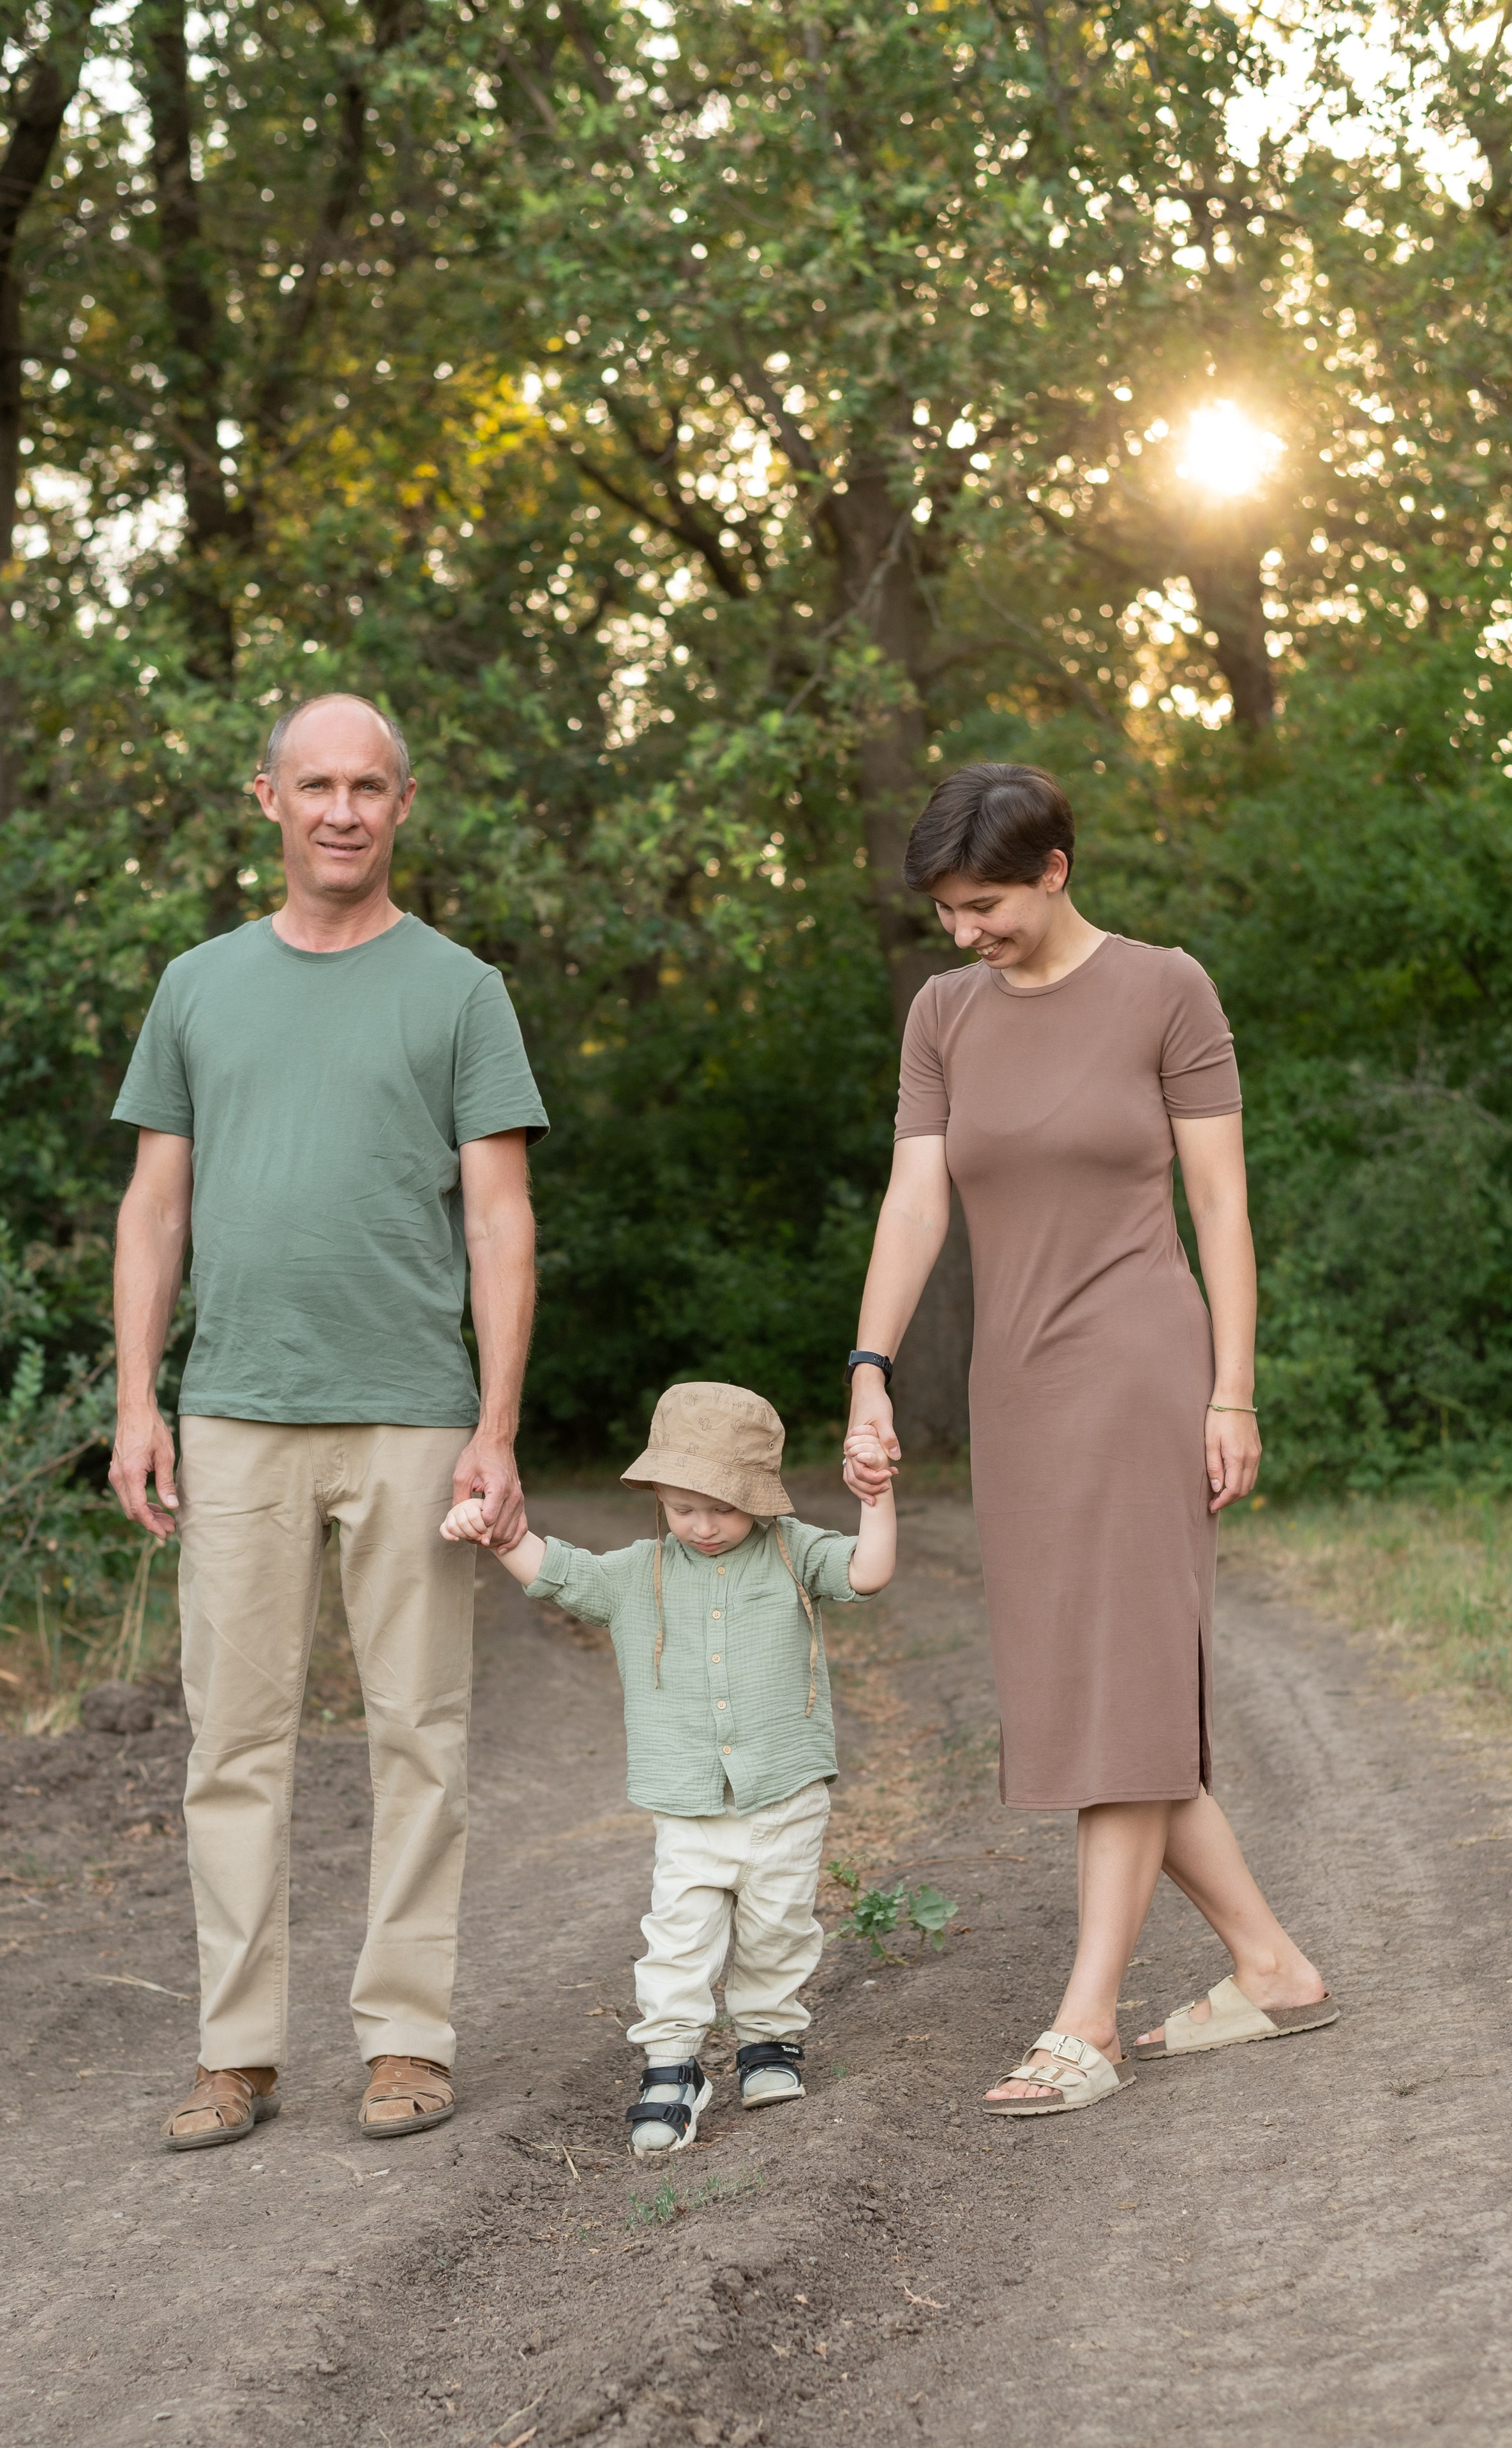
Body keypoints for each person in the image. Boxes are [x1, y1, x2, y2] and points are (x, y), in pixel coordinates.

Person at [842, 762, 1335, 2119]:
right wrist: (868, 1368)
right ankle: (1269, 1965)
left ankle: (1086, 2020)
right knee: (1078, 1690)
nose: (962, 934)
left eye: (982, 903)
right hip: (1017, 1387)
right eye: (945, 911)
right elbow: (911, 1206)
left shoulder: (1163, 988)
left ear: (1053, 868)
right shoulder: (943, 1016)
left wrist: (1229, 1392)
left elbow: (1220, 1207)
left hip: (1136, 1368)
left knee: (1115, 1689)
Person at [107, 691, 549, 2151]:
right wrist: (136, 1397)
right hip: (232, 1411)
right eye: (317, 784)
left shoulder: (459, 988)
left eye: (369, 785)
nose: (342, 809)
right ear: (268, 799)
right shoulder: (198, 985)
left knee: (417, 1734)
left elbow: (498, 1216)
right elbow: (154, 1201)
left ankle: (405, 2037)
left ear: (402, 805)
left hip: (414, 1417)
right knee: (232, 1741)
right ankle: (235, 2051)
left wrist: (494, 1420)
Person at [442, 1382, 897, 2153]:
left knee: (777, 1928)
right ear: (658, 1496)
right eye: (683, 1508)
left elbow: (868, 1573)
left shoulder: (794, 1552)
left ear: (761, 1496)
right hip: (687, 1803)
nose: (703, 1525)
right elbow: (557, 1569)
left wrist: (877, 1498)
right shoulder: (636, 1573)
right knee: (678, 1940)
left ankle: (768, 2043)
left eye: (721, 1507)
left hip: (784, 1793)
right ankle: (673, 2064)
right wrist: (493, 1533)